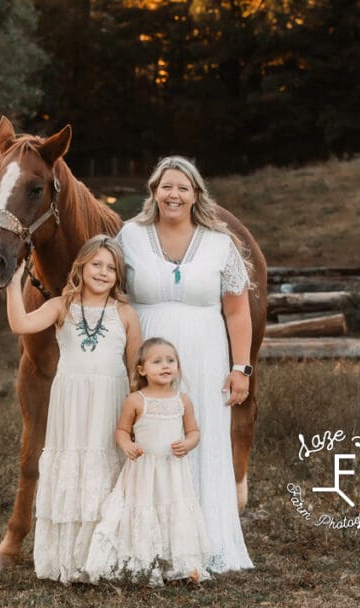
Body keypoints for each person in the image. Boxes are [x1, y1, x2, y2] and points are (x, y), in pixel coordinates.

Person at [115, 156, 253, 573]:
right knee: (153, 441)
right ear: (153, 191)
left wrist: (241, 368)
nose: (173, 194)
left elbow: (238, 312)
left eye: (183, 187)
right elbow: (106, 288)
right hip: (145, 356)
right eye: (166, 186)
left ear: (196, 195)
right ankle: (150, 546)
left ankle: (205, 543)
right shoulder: (130, 236)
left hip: (207, 358)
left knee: (199, 440)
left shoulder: (219, 242)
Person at [5, 234, 142, 584]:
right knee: (72, 465)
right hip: (72, 402)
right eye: (96, 264)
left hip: (108, 401)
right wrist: (12, 283)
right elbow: (20, 324)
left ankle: (103, 557)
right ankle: (68, 558)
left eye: (111, 268)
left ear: (118, 276)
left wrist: (138, 412)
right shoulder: (61, 306)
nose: (103, 272)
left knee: (105, 468)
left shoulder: (125, 313)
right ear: (80, 265)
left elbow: (134, 369)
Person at [85, 338, 211, 586]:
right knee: (143, 510)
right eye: (157, 361)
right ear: (142, 369)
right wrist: (127, 444)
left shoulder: (182, 400)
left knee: (171, 510)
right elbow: (122, 430)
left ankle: (178, 564)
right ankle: (141, 562)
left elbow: (194, 431)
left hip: (172, 471)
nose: (166, 366)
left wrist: (188, 443)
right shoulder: (136, 400)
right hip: (143, 471)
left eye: (171, 361)